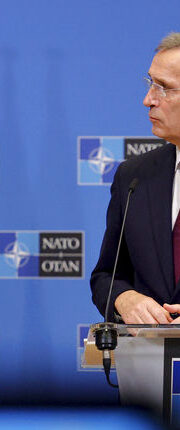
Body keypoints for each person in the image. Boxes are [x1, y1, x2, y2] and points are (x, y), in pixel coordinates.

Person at [91, 32, 180, 324]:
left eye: (164, 88)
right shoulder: (134, 177)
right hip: (150, 352)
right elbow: (106, 276)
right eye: (150, 83)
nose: (147, 100)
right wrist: (124, 298)